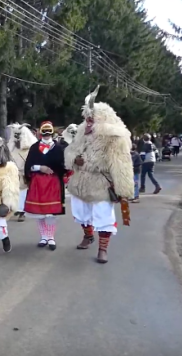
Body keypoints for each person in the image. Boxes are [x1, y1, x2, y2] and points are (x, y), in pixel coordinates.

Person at [65, 86, 134, 264]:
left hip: (101, 182)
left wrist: (124, 190)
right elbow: (69, 151)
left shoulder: (115, 135)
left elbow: (121, 164)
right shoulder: (81, 131)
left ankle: (103, 249)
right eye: (86, 118)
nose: (88, 121)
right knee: (81, 212)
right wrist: (75, 159)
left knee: (103, 216)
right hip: (80, 180)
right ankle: (88, 236)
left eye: (91, 118)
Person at [23, 121, 67, 250]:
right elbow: (28, 165)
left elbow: (64, 165)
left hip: (53, 183)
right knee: (39, 212)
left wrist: (57, 170)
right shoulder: (34, 148)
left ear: (52, 132)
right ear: (40, 133)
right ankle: (43, 237)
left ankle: (51, 237)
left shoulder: (59, 148)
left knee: (51, 213)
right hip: (38, 183)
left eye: (49, 132)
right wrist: (39, 167)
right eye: (44, 132)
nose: (47, 135)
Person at [9, 123, 37, 222]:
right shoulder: (12, 148)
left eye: (19, 135)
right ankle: (16, 208)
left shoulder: (31, 147)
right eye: (15, 135)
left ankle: (22, 211)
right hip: (14, 172)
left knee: (23, 190)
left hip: (25, 172)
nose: (17, 138)